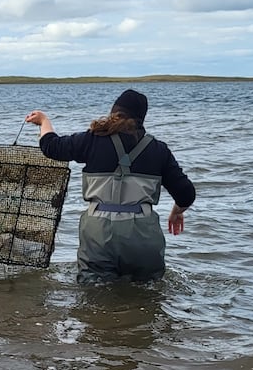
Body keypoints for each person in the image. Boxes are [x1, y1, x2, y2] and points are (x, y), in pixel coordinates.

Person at [25, 89, 195, 283]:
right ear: (142, 119)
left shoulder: (92, 139)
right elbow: (186, 194)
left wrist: (44, 121)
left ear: (114, 112)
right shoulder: (159, 150)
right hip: (143, 236)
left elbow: (52, 147)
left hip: (99, 235)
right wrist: (177, 211)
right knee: (148, 295)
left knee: (94, 295)